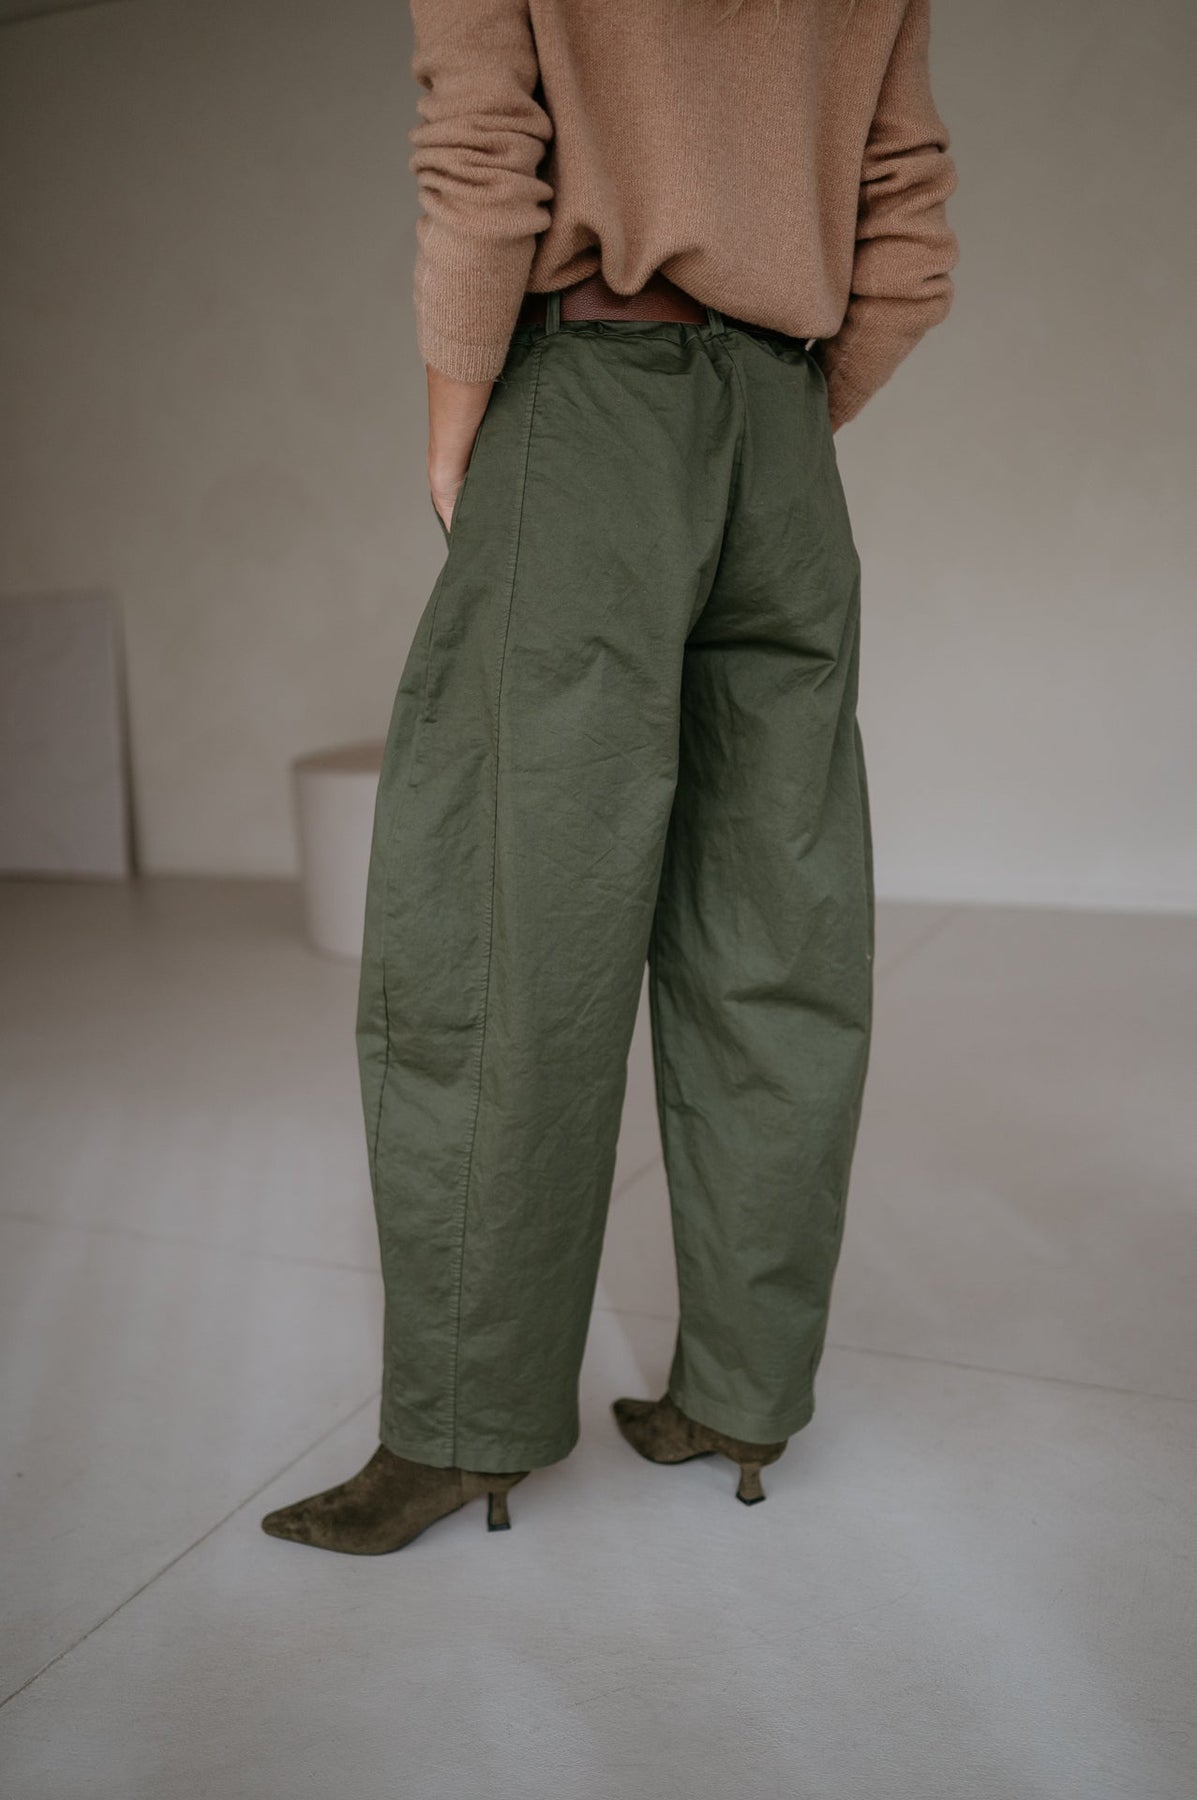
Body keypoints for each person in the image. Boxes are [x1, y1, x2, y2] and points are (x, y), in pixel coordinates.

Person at [262, 0, 958, 1554]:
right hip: (783, 435)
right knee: (774, 936)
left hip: (586, 398)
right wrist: (773, 411)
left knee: (502, 933)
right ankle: (743, 1395)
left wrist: (458, 412)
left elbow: (483, 146)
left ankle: (464, 1428)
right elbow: (904, 215)